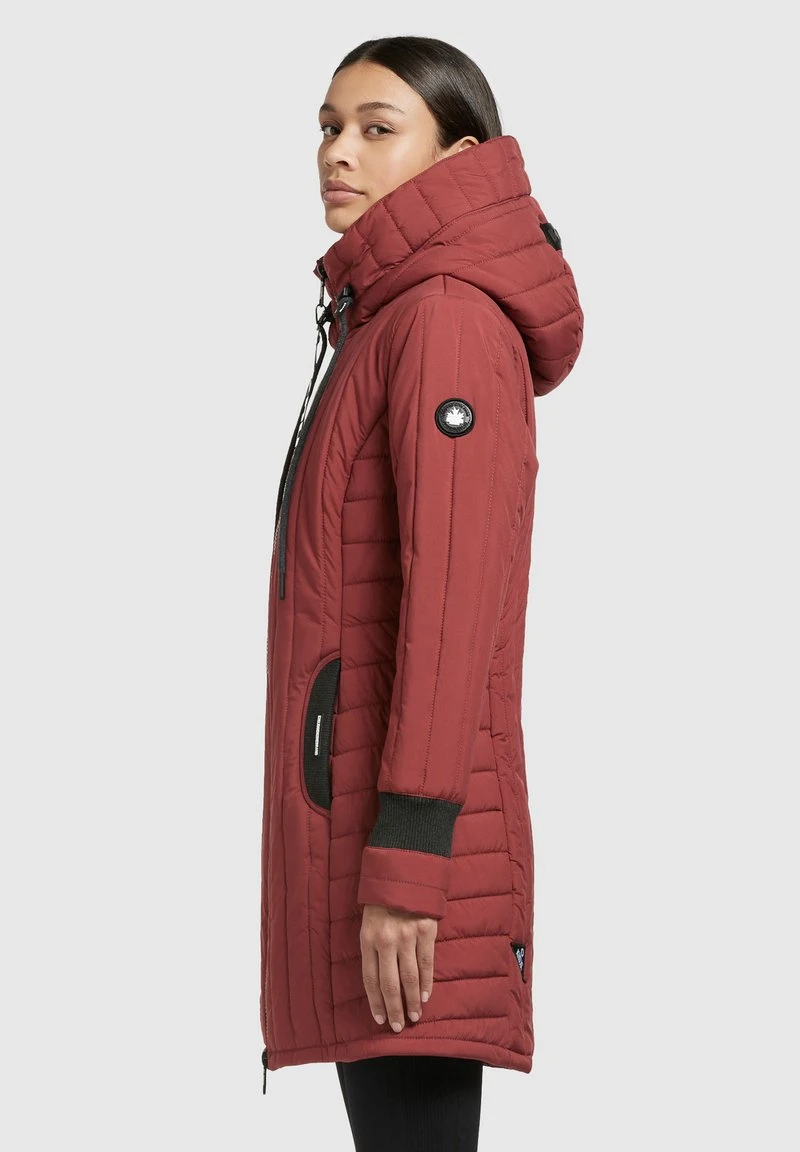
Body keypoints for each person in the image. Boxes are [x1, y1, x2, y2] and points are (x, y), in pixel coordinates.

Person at [259, 34, 584, 1152]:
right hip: (365, 825)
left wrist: (406, 863)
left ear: (457, 156)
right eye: (327, 126)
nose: (337, 151)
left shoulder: (442, 317)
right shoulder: (383, 317)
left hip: (410, 854)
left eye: (375, 128)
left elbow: (452, 607)